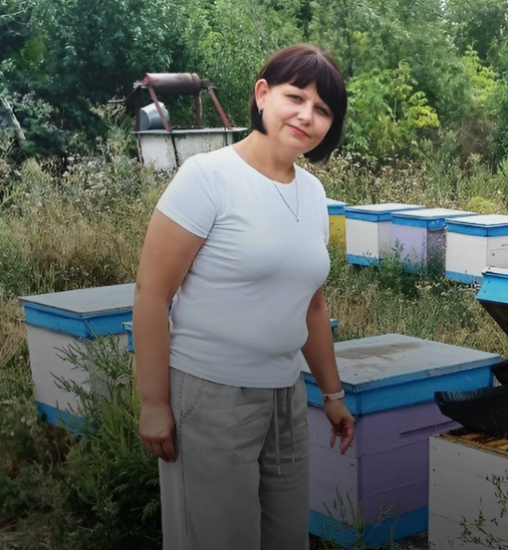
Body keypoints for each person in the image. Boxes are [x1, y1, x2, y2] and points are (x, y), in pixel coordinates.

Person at [133, 44, 356, 550]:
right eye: (295, 97)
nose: (306, 115)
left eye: (322, 109)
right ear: (262, 95)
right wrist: (154, 403)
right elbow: (151, 295)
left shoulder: (314, 193)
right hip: (211, 395)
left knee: (285, 539)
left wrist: (334, 395)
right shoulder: (208, 177)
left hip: (285, 396)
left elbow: (312, 305)